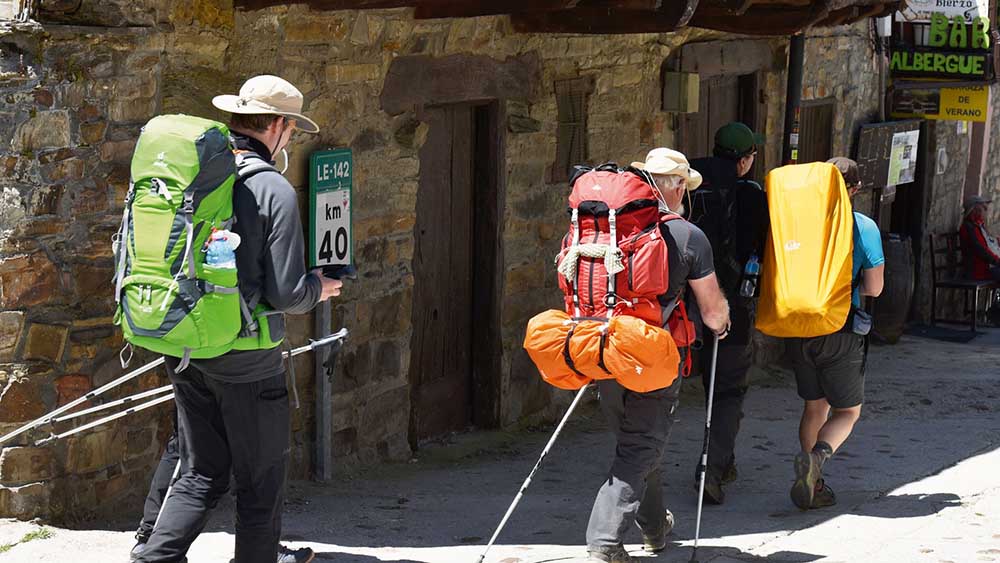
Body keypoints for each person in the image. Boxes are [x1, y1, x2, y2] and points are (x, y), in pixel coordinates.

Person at [136, 75, 342, 563]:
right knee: (260, 483)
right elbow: (289, 294)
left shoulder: (199, 173)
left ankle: (154, 557)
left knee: (201, 469)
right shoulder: (271, 187)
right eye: (290, 128)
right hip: (247, 361)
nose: (289, 137)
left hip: (185, 344)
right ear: (277, 126)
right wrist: (321, 286)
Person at [585, 149, 730, 563]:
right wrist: (723, 323)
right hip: (655, 357)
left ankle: (653, 529)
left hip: (606, 347)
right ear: (680, 185)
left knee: (638, 443)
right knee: (640, 445)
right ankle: (605, 541)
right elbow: (712, 311)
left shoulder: (608, 230)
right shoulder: (688, 235)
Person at [786, 157, 884, 510]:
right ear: (854, 189)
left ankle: (813, 486)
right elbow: (875, 288)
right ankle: (815, 460)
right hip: (839, 328)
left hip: (797, 325)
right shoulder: (862, 226)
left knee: (815, 406)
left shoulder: (796, 223)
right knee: (847, 412)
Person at [687, 122, 769, 504]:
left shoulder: (688, 187)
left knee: (684, 391)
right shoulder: (752, 196)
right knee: (728, 390)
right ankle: (711, 469)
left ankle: (723, 459)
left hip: (682, 308)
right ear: (745, 160)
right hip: (730, 306)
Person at [959, 194, 1000, 281]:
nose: (987, 211)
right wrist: (997, 261)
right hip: (980, 271)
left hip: (989, 267)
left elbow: (990, 242)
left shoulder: (979, 226)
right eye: (984, 208)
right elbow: (980, 249)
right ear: (974, 210)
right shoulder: (968, 228)